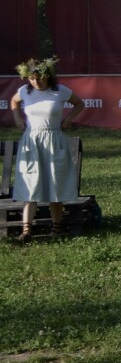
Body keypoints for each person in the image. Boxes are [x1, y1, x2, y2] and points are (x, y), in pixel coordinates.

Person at [10, 56, 85, 242]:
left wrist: (68, 120)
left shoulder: (60, 91)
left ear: (48, 76)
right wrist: (18, 119)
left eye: (40, 77)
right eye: (32, 78)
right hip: (31, 141)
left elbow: (79, 103)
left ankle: (56, 229)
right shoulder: (25, 91)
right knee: (30, 184)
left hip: (54, 140)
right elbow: (14, 102)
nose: (36, 81)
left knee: (55, 186)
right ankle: (26, 231)